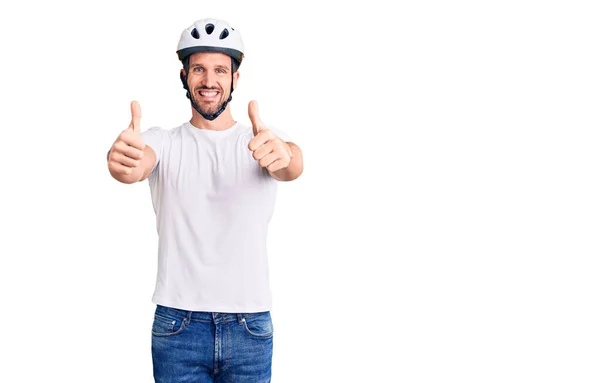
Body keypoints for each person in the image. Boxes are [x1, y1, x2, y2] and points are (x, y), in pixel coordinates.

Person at [106, 18, 303, 383]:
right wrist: (122, 163)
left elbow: (291, 164)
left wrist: (286, 157)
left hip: (250, 327)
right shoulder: (162, 141)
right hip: (178, 326)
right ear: (184, 75)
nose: (209, 81)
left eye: (219, 70)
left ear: (235, 79)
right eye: (198, 69)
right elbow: (135, 164)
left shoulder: (263, 140)